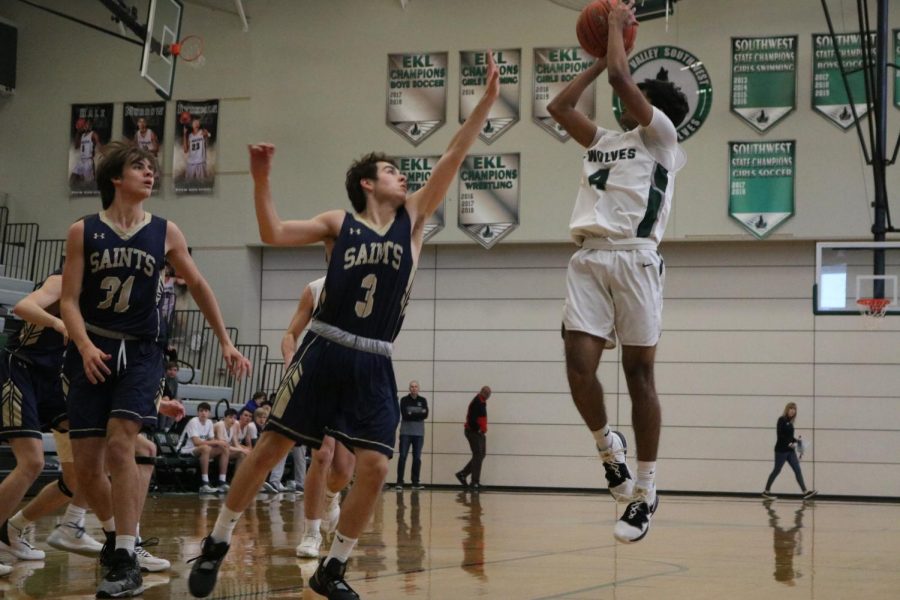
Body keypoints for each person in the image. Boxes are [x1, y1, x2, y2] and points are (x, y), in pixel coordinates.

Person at [187, 53, 500, 600]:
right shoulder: (340, 221)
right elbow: (275, 230)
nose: (402, 175)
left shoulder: (415, 219)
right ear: (365, 182)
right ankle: (218, 540)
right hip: (324, 348)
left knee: (376, 467)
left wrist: (485, 106)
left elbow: (453, 154)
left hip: (375, 356)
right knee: (268, 451)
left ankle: (334, 566)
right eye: (390, 170)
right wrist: (261, 179)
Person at [60, 141, 250, 597]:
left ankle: (126, 553)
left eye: (151, 167)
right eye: (138, 167)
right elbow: (68, 300)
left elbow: (198, 284)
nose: (149, 173)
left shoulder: (165, 231)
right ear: (114, 179)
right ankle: (114, 540)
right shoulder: (82, 231)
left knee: (122, 446)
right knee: (86, 468)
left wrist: (225, 340)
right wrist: (84, 344)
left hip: (142, 353)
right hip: (93, 347)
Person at [546, 0, 689, 544]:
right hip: (587, 257)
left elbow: (620, 76)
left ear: (652, 108)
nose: (624, 100)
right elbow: (559, 106)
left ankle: (647, 491)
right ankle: (610, 449)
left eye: (636, 98)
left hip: (635, 258)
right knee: (579, 365)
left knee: (639, 376)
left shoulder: (662, 139)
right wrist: (595, 53)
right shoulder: (605, 140)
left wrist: (614, 36)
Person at [762, 402, 817, 500]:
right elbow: (780, 435)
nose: (792, 410)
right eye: (791, 408)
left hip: (790, 451)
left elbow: (790, 437)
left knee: (797, 469)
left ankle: (805, 492)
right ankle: (766, 491)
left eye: (794, 409)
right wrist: (789, 443)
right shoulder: (781, 420)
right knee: (777, 470)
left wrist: (798, 442)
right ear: (787, 409)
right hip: (781, 451)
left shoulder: (791, 423)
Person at [181, 402, 231, 493]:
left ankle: (222, 481)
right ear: (198, 413)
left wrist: (221, 443)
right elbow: (196, 442)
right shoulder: (193, 421)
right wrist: (216, 441)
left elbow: (212, 440)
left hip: (200, 450)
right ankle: (204, 483)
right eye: (201, 411)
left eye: (206, 411)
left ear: (209, 413)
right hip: (186, 450)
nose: (203, 413)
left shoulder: (209, 422)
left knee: (224, 448)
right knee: (206, 448)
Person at [395, 380, 429, 490]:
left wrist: (412, 412)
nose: (414, 388)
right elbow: (405, 415)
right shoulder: (404, 400)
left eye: (416, 386)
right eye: (412, 386)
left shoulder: (423, 400)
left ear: (418, 388)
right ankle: (399, 482)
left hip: (419, 434)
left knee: (417, 458)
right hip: (406, 433)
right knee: (403, 456)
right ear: (409, 388)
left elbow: (425, 414)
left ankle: (415, 482)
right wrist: (419, 413)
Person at [455, 386, 490, 490]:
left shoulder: (482, 401)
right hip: (474, 432)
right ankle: (474, 482)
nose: (488, 395)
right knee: (478, 455)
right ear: (481, 391)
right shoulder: (477, 402)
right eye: (486, 393)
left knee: (481, 455)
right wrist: (478, 429)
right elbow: (471, 420)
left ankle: (463, 474)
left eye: (489, 394)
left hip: (479, 433)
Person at [70, 119, 102, 185]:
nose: (87, 126)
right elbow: (76, 146)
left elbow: (99, 145)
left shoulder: (93, 134)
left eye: (89, 125)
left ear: (91, 126)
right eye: (86, 124)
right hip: (81, 161)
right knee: (72, 179)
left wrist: (103, 153)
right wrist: (78, 131)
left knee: (87, 183)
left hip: (89, 161)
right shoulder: (82, 136)